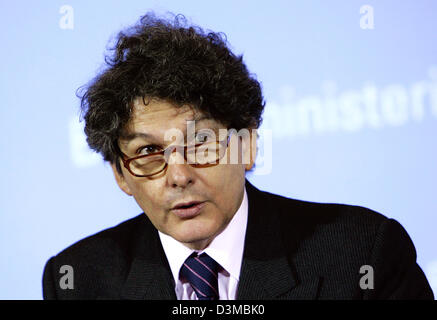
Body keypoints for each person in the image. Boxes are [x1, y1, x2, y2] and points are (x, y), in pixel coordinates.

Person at [42, 12, 434, 300]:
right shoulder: (77, 280)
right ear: (120, 175)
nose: (178, 175)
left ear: (247, 145)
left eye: (199, 143)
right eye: (147, 152)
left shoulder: (362, 253)